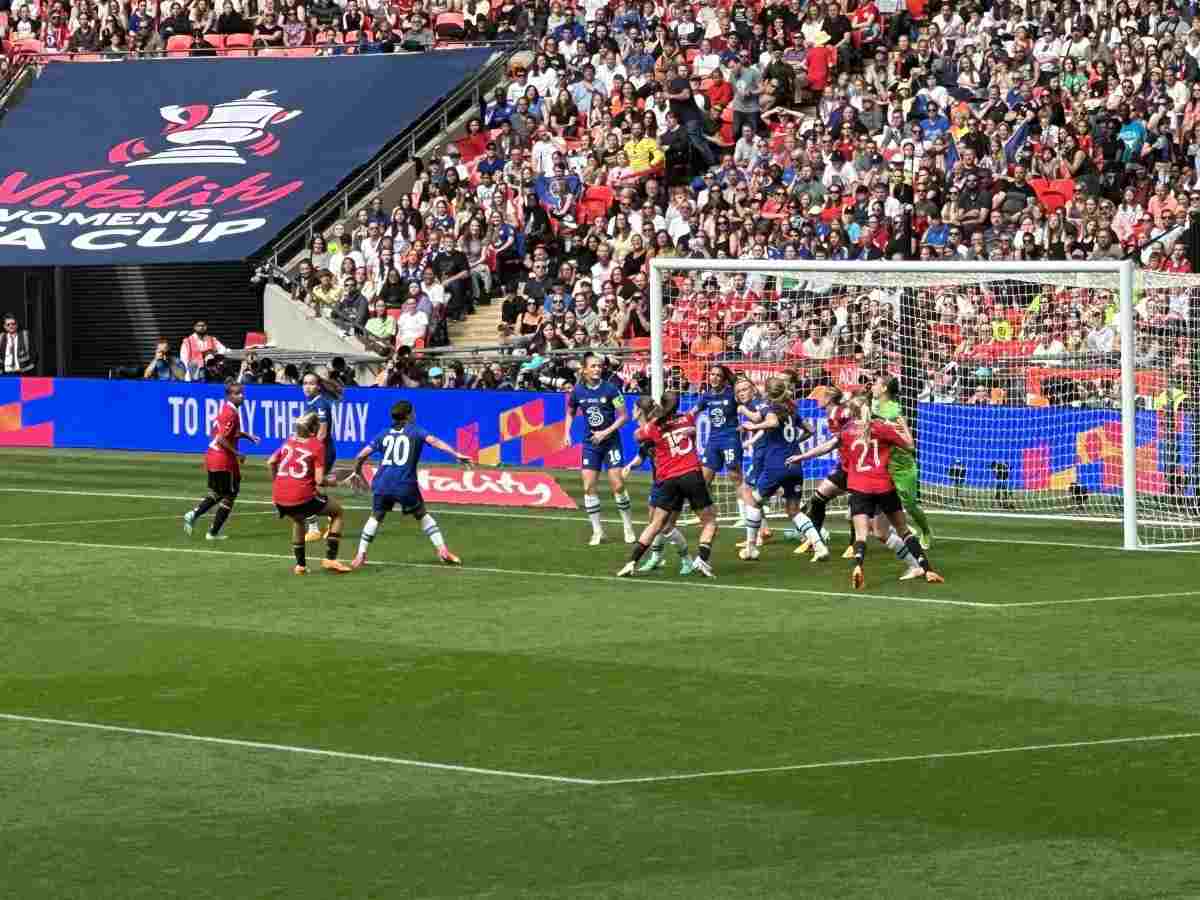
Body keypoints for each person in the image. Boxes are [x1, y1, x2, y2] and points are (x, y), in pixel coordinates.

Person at [790, 394, 943, 590]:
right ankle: (927, 568)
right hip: (884, 487)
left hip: (860, 488)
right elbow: (910, 446)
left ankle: (858, 566)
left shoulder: (847, 431)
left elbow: (826, 447)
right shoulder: (881, 428)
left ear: (850, 413)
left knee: (862, 535)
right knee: (900, 530)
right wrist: (903, 426)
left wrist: (802, 456)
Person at [349, 400, 472, 568]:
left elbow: (360, 456)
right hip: (404, 483)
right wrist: (456, 454)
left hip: (382, 482)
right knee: (422, 514)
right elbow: (434, 441)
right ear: (408, 415)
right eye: (413, 412)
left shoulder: (383, 434)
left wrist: (357, 471)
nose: (415, 414)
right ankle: (442, 550)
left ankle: (360, 554)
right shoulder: (416, 431)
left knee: (376, 516)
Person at [617, 393, 718, 578]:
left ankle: (631, 562)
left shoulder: (652, 428)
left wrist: (655, 422)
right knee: (709, 521)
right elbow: (696, 413)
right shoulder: (687, 418)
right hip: (690, 475)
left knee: (657, 524)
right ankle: (701, 559)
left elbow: (637, 435)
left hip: (668, 480)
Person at [738, 376, 817, 562]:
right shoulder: (790, 407)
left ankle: (753, 542)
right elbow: (811, 430)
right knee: (788, 506)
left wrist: (750, 424)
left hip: (771, 458)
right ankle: (816, 539)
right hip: (792, 460)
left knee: (752, 496)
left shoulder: (768, 405)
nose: (741, 393)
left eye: (744, 389)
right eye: (739, 391)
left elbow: (767, 422)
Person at [564, 353, 637, 545]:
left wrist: (606, 432)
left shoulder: (611, 389)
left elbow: (623, 416)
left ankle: (628, 526)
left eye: (599, 366)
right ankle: (598, 532)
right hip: (590, 444)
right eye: (593, 366)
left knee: (618, 485)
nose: (597, 369)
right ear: (585, 369)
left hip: (611, 442)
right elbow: (570, 411)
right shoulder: (578, 391)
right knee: (588, 487)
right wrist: (567, 433)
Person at [268, 413, 351, 575]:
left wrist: (276, 483)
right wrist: (334, 482)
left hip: (279, 496)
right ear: (314, 428)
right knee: (338, 512)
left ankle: (300, 566)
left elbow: (271, 461)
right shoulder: (317, 445)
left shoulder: (289, 441)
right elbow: (319, 480)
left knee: (298, 520)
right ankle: (331, 559)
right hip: (301, 496)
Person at [183, 380, 259, 541]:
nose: (242, 396)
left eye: (242, 393)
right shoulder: (230, 413)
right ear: (229, 396)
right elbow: (221, 438)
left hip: (216, 457)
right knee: (229, 493)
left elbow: (231, 432)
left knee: (223, 492)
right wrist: (237, 453)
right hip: (223, 459)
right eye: (238, 394)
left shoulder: (227, 409)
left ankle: (207, 527)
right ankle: (202, 521)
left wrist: (248, 436)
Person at [620, 418, 694, 575]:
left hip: (673, 483)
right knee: (653, 525)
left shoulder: (663, 434)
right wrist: (630, 466)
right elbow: (641, 457)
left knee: (666, 527)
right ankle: (656, 557)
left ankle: (687, 559)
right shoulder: (646, 438)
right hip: (658, 485)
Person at [872, 375, 933, 548]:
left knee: (910, 505)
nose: (872, 387)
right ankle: (899, 528)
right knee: (876, 499)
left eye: (876, 384)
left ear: (884, 389)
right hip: (884, 465)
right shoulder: (874, 406)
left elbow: (910, 445)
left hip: (902, 465)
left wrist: (891, 429)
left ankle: (926, 531)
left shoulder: (893, 411)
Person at [694, 364, 750, 523]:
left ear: (724, 379)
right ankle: (709, 514)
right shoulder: (706, 396)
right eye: (712, 374)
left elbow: (750, 405)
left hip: (730, 439)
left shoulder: (732, 393)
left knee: (736, 477)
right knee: (703, 481)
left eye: (718, 375)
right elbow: (693, 412)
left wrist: (746, 424)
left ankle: (745, 517)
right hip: (713, 441)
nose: (714, 377)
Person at [300, 371, 344, 541]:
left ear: (318, 386)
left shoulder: (320, 404)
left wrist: (309, 450)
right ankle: (328, 520)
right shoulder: (311, 403)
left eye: (311, 383)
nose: (307, 387)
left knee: (309, 488)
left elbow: (323, 432)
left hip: (322, 451)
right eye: (305, 383)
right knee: (313, 487)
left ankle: (314, 528)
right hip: (317, 450)